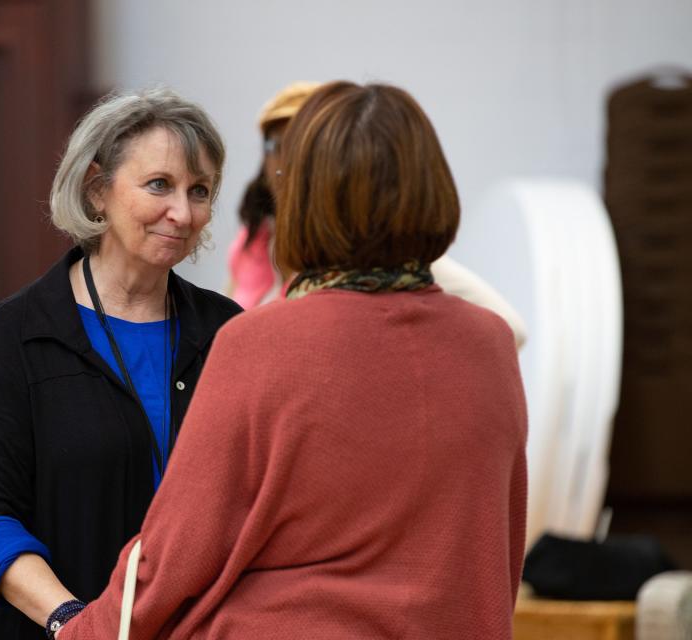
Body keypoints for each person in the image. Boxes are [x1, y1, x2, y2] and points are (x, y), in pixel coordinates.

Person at [58, 81, 528, 638]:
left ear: (304, 198)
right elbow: (499, 548)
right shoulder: (491, 345)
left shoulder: (258, 342)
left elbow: (173, 557)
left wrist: (78, 632)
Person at [0, 87, 243, 639]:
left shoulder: (229, 333)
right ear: (96, 188)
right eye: (159, 184)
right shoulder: (19, 333)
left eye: (199, 190)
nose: (182, 212)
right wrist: (74, 622)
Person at [226, 82, 528, 349]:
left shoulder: (383, 257)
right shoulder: (250, 244)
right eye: (275, 144)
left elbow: (510, 329)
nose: (286, 157)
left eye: (303, 144)